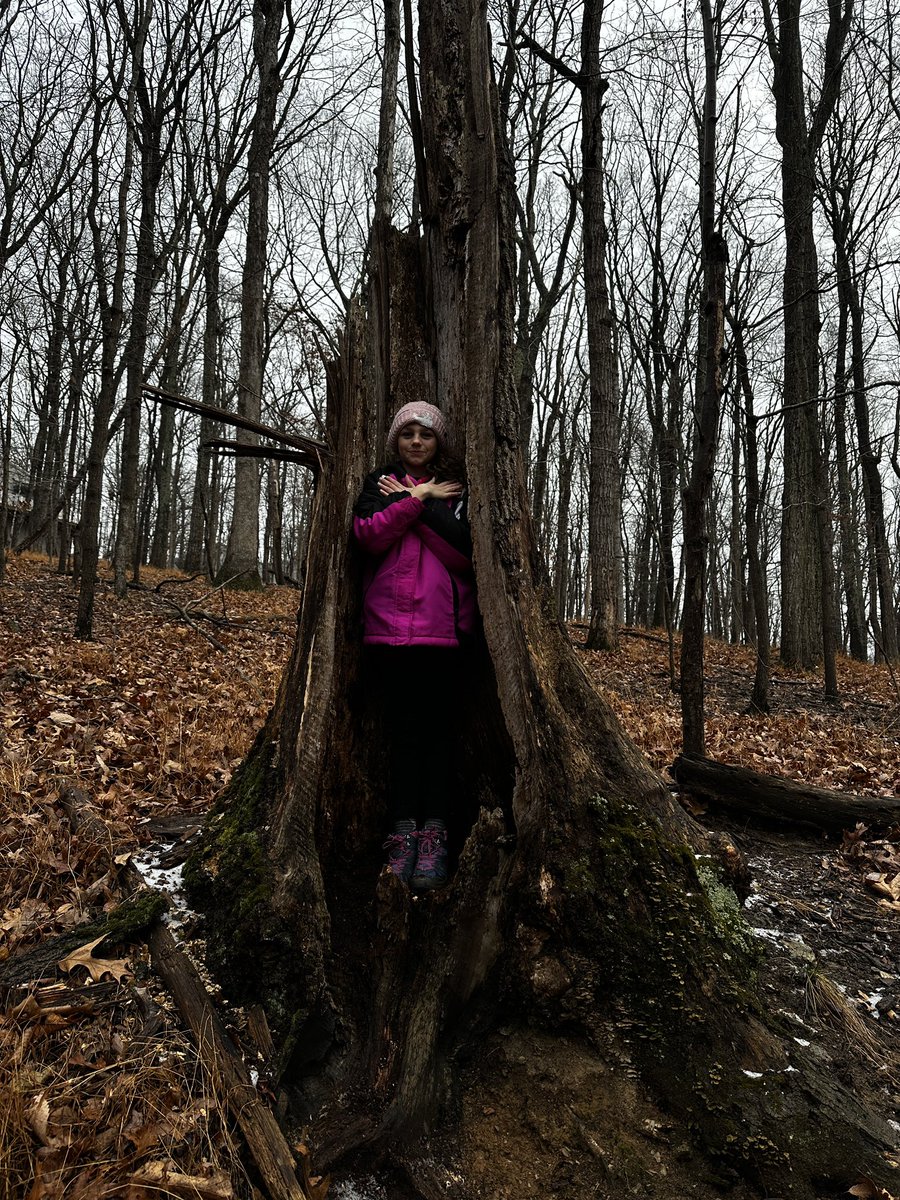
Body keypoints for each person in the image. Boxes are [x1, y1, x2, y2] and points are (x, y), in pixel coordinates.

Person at [352, 401, 475, 891]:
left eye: (426, 434)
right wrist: (420, 495)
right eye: (408, 434)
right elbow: (369, 537)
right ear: (396, 441)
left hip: (442, 633)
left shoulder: (459, 492)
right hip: (388, 631)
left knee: (438, 736)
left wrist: (410, 500)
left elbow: (461, 552)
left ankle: (435, 838)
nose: (417, 442)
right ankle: (403, 834)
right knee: (402, 735)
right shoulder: (376, 485)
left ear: (438, 442)